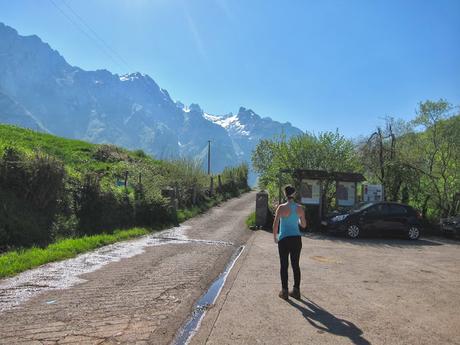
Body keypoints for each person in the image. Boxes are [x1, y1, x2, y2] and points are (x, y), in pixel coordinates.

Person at [273, 185, 307, 300]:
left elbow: (275, 224)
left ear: (285, 194)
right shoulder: (300, 208)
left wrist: (274, 237)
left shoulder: (281, 208)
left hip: (284, 239)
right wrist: (297, 219)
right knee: (295, 265)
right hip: (296, 239)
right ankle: (296, 291)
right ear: (294, 194)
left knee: (284, 265)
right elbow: (304, 225)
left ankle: (285, 291)